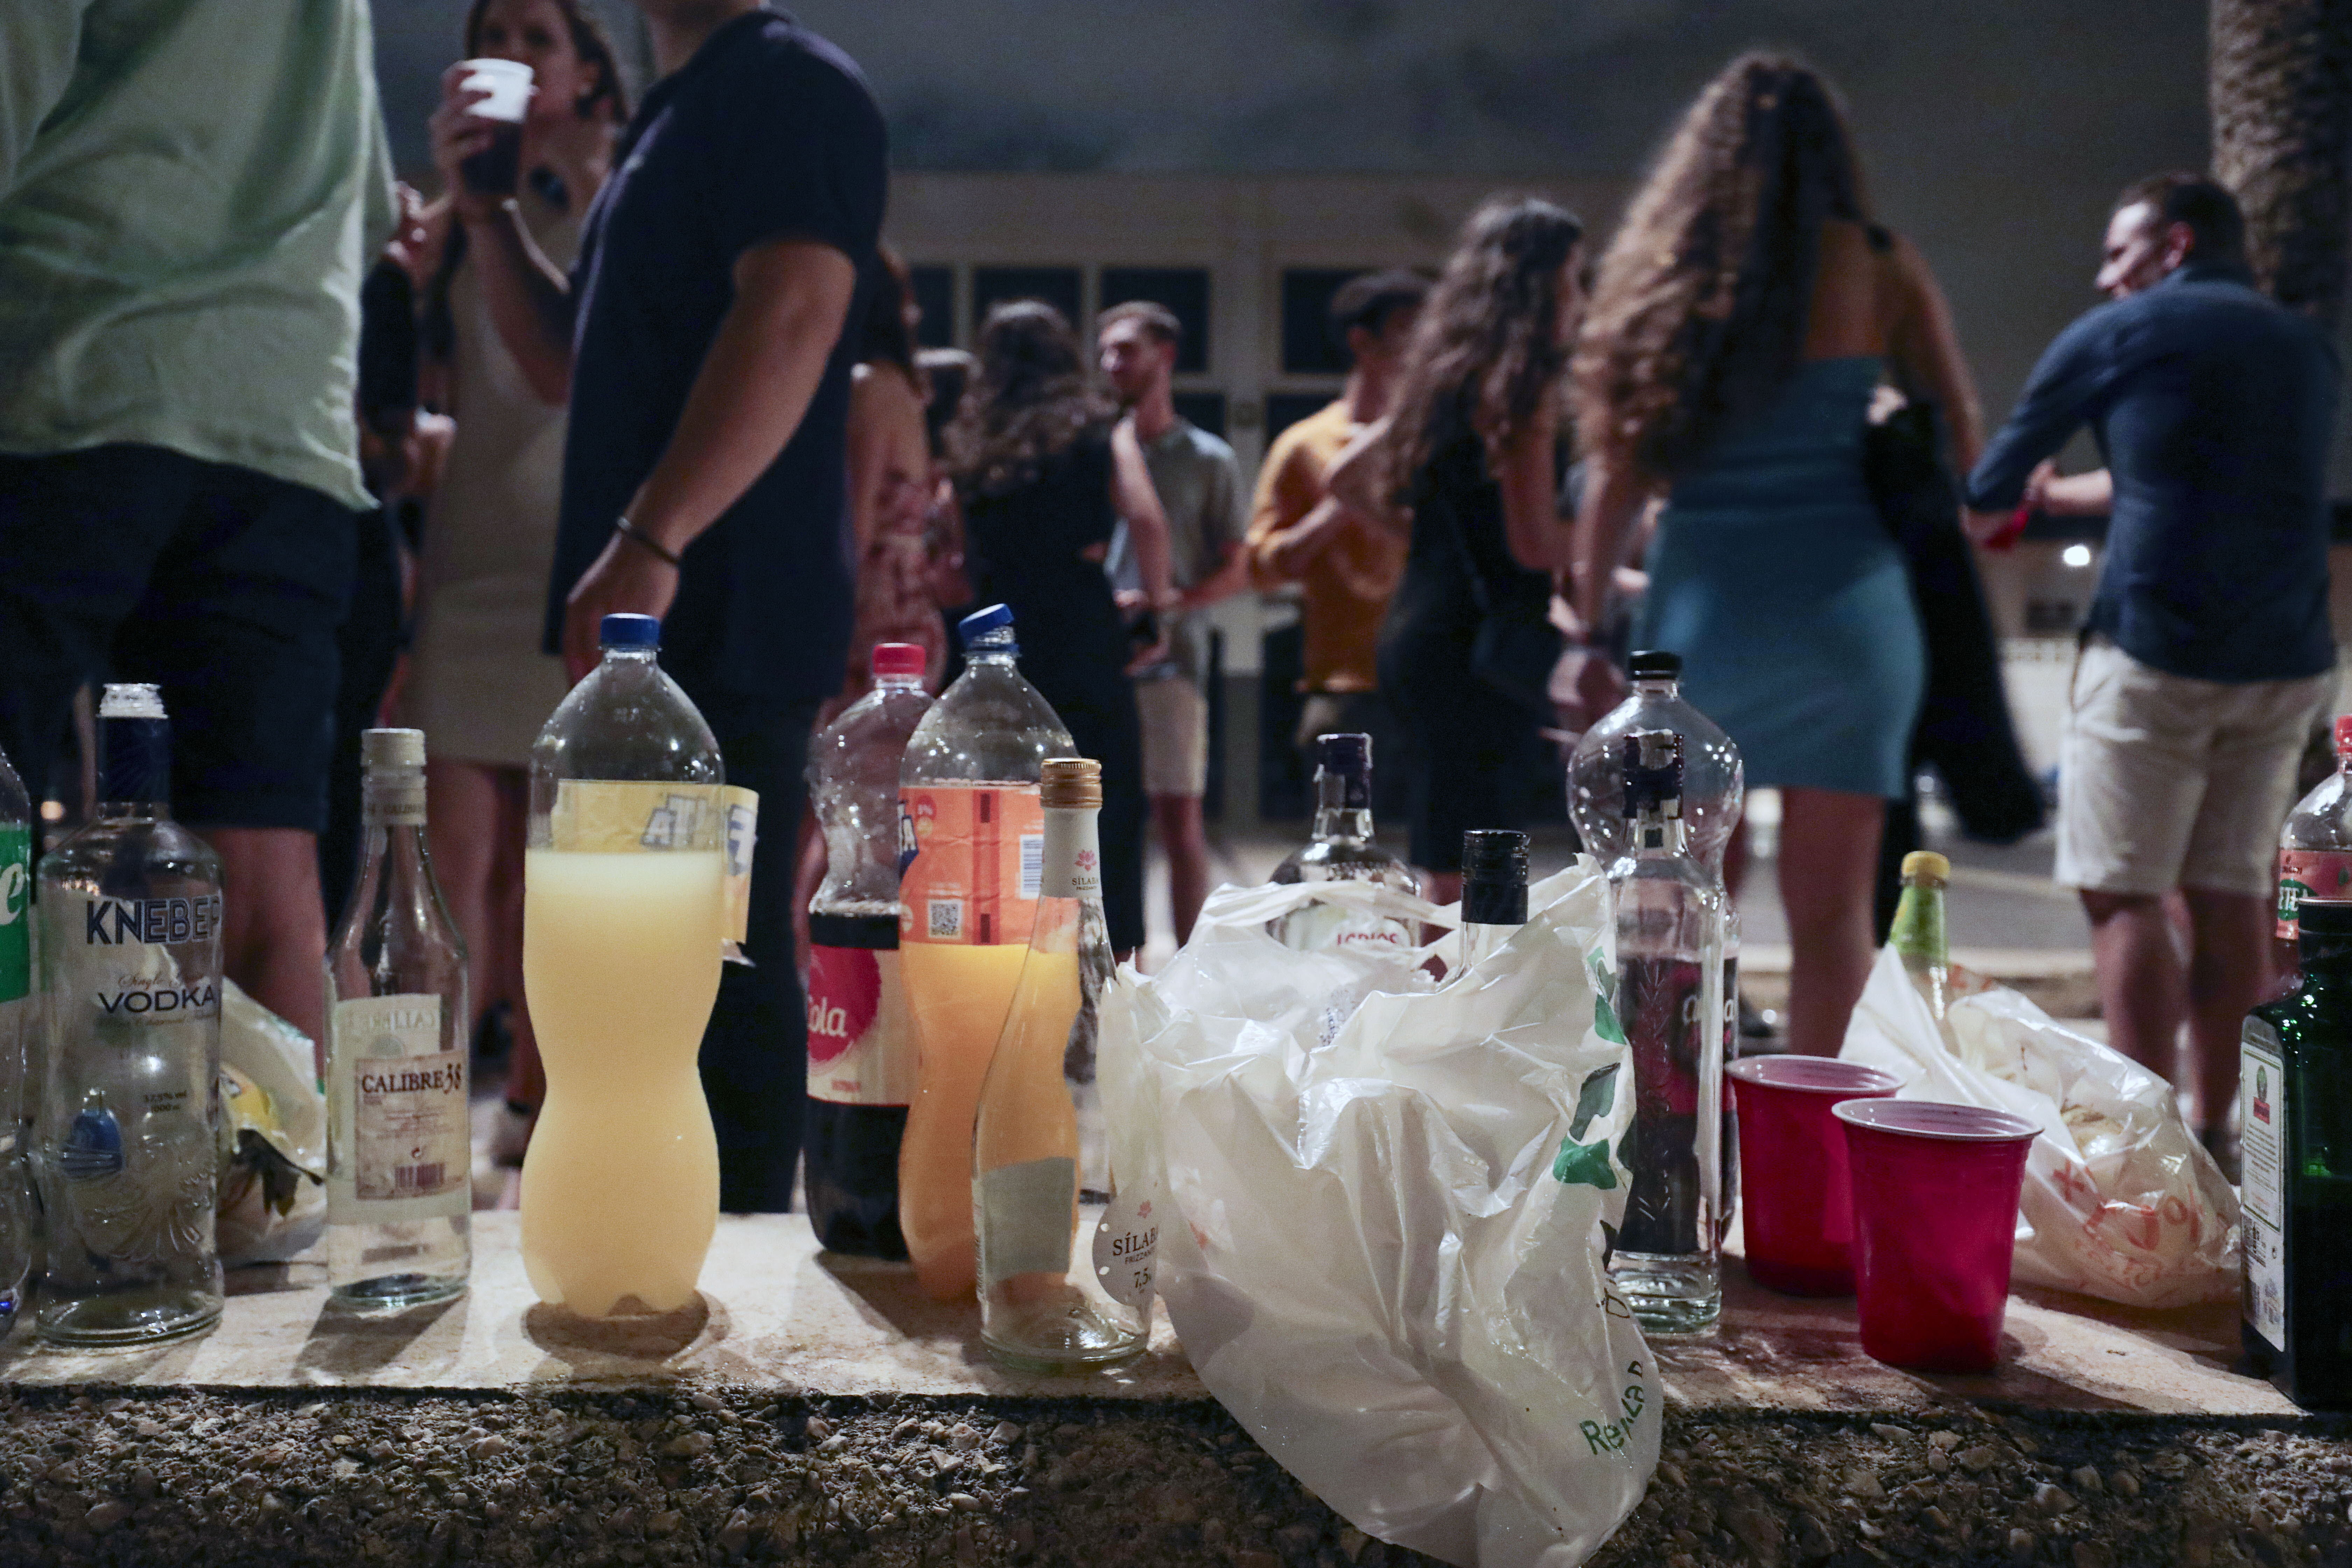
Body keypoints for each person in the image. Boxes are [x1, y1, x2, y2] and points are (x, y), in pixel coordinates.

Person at [432, 0, 886, 1212]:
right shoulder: (669, 121)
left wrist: (652, 536)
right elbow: (571, 364)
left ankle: (736, 1248)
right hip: (650, 619)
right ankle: (645, 1230)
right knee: (635, 950)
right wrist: (483, 209)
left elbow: (796, 310)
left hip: (724, 603)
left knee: (717, 953)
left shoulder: (791, 84)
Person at [0, 0, 395, 1055]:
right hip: (283, 411)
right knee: (262, 869)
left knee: (2, 817)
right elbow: (365, 211)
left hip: (71, 362)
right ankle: (269, 1200)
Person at [1570, 53, 1984, 1058]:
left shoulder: (1673, 273)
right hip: (1852, 616)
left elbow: (1618, 475)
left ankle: (1668, 1136)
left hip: (1702, 624)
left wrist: (1589, 621)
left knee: (1672, 906)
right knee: (1834, 919)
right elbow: (1963, 444)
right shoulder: (1881, 261)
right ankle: (1811, 1163)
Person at [1963, 173, 2338, 1148]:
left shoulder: (2115, 335)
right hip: (2287, 660)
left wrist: (2018, 496)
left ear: (2173, 245)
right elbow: (2176, 474)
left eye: (2120, 253)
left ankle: (2147, 1145)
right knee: (2230, 891)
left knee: (2125, 893)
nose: (2104, 276)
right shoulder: (2302, 343)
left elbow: (1987, 493)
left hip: (2159, 651)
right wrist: (2085, 495)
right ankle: (2227, 1133)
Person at [413, 0, 629, 1168]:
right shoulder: (455, 211)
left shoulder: (627, 188)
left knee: (561, 859)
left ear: (592, 73)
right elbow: (428, 382)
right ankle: (430, 1101)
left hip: (580, 550)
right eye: (492, 31)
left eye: (539, 36)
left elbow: (582, 366)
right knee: (453, 854)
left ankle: (539, 1112)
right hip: (471, 549)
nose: (511, 52)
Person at [1327, 203, 1584, 906]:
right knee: (1487, 855)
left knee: (1443, 845)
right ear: (1541, 289)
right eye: (1573, 281)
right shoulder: (1521, 388)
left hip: (1419, 626)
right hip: (1482, 649)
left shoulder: (1443, 379)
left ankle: (1444, 1001)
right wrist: (1627, 529)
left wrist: (1434, 548)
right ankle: (1466, 1006)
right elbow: (1535, 543)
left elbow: (1344, 479)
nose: (1581, 300)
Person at [947, 300, 1177, 957]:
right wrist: (1154, 606)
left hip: (994, 629)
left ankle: (1000, 948)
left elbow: (960, 554)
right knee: (1103, 795)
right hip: (1080, 621)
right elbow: (1148, 519)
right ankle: (1114, 958)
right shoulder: (1102, 427)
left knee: (1001, 792)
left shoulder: (971, 437)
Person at [1097, 301, 1250, 945]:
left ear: (1165, 355)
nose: (1111, 364)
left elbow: (1237, 568)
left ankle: (1188, 973)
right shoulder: (1095, 451)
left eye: (1126, 349)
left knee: (1178, 822)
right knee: (1100, 822)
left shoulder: (1207, 458)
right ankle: (1110, 966)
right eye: (1104, 351)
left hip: (1173, 661)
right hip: (1096, 660)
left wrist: (1168, 603)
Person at [1246, 271, 1429, 804]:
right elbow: (1262, 568)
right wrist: (1340, 505)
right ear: (1362, 342)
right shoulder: (1306, 445)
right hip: (1343, 687)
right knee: (1338, 860)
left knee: (1438, 863)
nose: (1423, 345)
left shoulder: (1431, 442)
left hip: (1431, 679)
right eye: (1406, 330)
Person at [841, 247, 948, 695]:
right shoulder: (904, 387)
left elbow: (858, 518)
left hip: (874, 604)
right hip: (910, 599)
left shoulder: (868, 386)